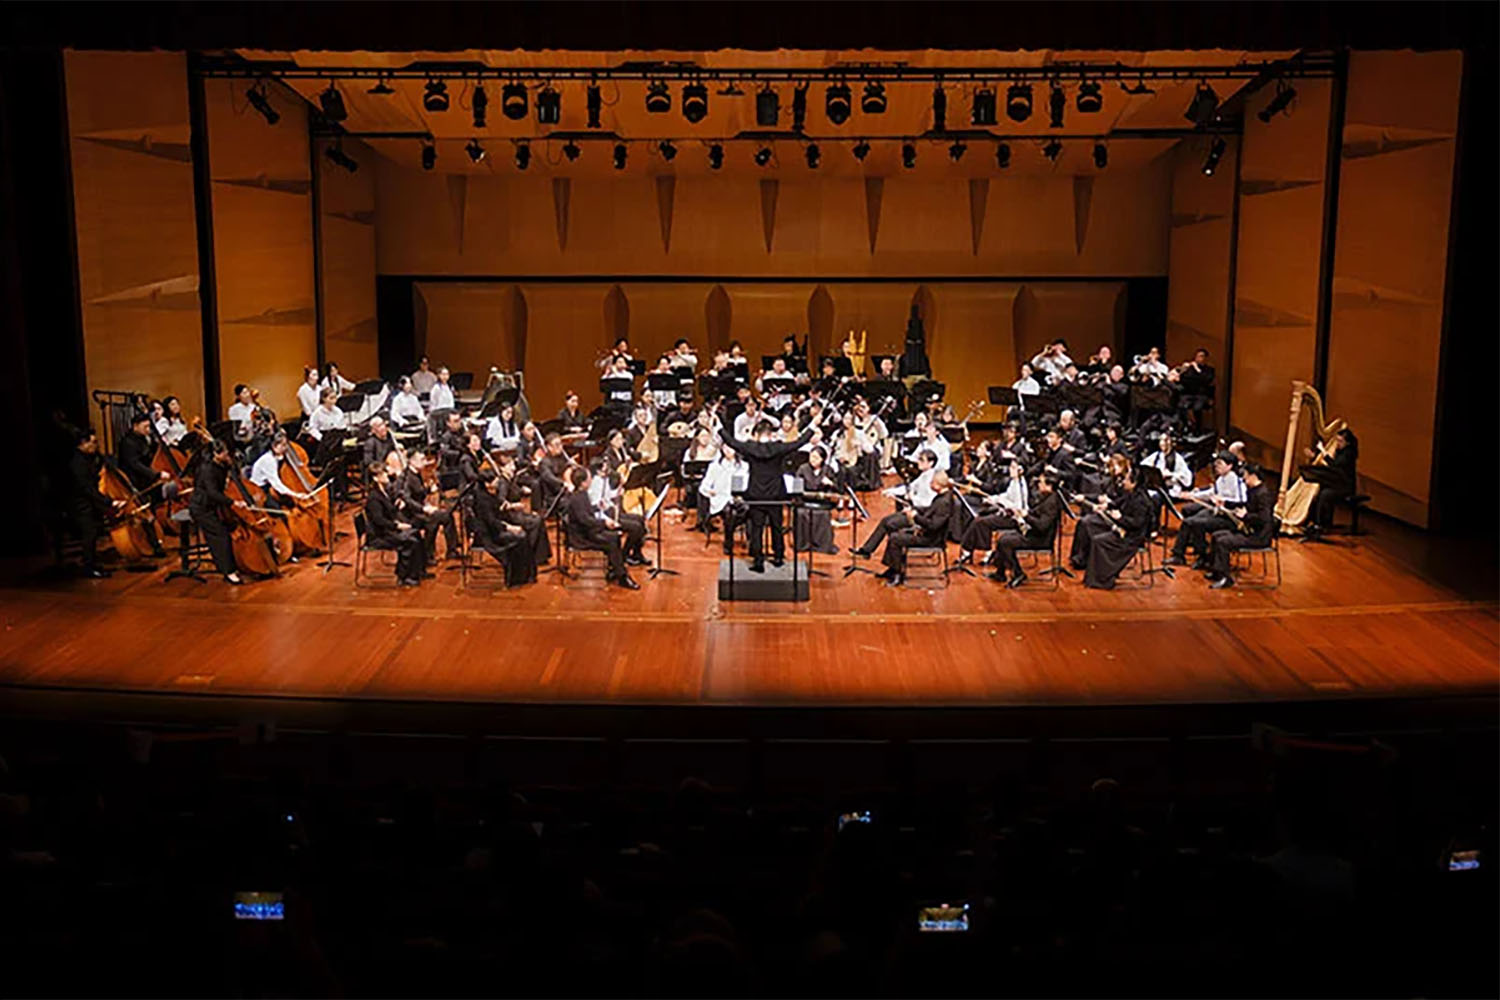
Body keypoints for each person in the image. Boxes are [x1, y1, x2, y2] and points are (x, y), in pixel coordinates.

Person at [721, 417, 817, 572]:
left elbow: (732, 442)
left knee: (757, 528)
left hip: (756, 495)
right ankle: (778, 557)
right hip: (775, 495)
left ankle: (758, 561)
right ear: (770, 434)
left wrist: (718, 426)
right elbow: (799, 442)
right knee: (776, 526)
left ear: (757, 435)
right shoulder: (778, 447)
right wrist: (813, 425)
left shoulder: (751, 447)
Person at [851, 449, 938, 563]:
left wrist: (911, 498)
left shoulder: (932, 479)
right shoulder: (923, 475)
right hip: (915, 510)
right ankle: (867, 550)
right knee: (885, 521)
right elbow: (909, 488)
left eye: (922, 460)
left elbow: (928, 502)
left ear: (931, 463)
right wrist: (891, 491)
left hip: (921, 514)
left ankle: (894, 560)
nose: (918, 462)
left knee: (890, 524)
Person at [563, 467, 639, 589]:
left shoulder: (581, 495)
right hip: (582, 537)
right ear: (583, 483)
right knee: (612, 539)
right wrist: (604, 523)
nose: (591, 480)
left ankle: (615, 568)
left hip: (588, 530)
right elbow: (585, 520)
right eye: (589, 479)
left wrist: (597, 507)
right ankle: (621, 576)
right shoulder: (577, 498)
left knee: (615, 536)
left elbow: (586, 514)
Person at [1166, 453, 1247, 568]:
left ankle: (1203, 557)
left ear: (1229, 466)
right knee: (1188, 521)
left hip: (1230, 519)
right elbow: (1210, 493)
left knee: (1196, 523)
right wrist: (1192, 495)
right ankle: (1179, 554)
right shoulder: (1221, 480)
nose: (1216, 466)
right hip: (1217, 513)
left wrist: (1224, 501)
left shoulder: (1236, 481)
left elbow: (1242, 500)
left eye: (1220, 463)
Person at [1206, 464, 1276, 589]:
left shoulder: (1263, 494)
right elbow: (1244, 505)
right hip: (1249, 531)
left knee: (1223, 542)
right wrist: (1226, 503)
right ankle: (1217, 571)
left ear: (1253, 476)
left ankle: (1226, 578)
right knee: (1217, 536)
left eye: (1245, 476)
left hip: (1259, 537)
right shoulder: (1253, 490)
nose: (1244, 479)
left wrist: (1246, 516)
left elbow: (1264, 518)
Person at [1083, 464, 1153, 590]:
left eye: (1126, 479)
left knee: (1099, 541)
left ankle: (1104, 579)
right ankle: (1096, 578)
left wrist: (1119, 518)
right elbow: (1119, 502)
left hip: (1132, 537)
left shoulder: (1142, 500)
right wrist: (1108, 507)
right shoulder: (1131, 492)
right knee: (1096, 537)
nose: (1124, 481)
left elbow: (1137, 523)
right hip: (1124, 530)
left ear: (1134, 482)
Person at [878, 471, 953, 586]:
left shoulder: (944, 503)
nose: (930, 484)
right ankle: (893, 569)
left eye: (932, 482)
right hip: (927, 533)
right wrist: (913, 510)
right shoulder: (941, 498)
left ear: (938, 484)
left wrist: (915, 516)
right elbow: (930, 511)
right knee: (895, 534)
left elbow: (933, 525)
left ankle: (897, 573)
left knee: (895, 539)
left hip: (931, 539)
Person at [67, 428, 122, 578]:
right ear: (83, 443)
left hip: (89, 502)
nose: (96, 446)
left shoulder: (87, 459)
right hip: (81, 504)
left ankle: (92, 563)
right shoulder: (77, 463)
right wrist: (109, 502)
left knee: (93, 532)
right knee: (89, 534)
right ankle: (88, 567)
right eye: (94, 442)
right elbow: (88, 489)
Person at [990, 473, 1062, 587]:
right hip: (1033, 533)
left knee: (1005, 542)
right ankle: (1000, 573)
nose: (1038, 484)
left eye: (1041, 482)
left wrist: (1026, 517)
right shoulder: (1046, 497)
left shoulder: (1052, 503)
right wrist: (1021, 512)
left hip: (1040, 539)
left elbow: (1042, 526)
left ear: (1049, 486)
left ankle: (1018, 573)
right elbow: (1036, 512)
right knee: (1003, 538)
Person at [189, 438, 244, 585]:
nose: (227, 456)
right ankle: (228, 572)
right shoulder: (206, 469)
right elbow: (213, 492)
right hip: (201, 508)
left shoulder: (221, 465)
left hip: (213, 506)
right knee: (221, 535)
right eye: (225, 454)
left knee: (227, 531)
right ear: (216, 454)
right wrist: (233, 502)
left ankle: (232, 565)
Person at [469, 468, 536, 586]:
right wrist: (510, 527)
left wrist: (508, 507)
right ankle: (516, 578)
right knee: (520, 538)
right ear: (487, 483)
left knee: (524, 535)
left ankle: (526, 575)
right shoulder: (482, 500)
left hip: (495, 527)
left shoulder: (489, 493)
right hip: (490, 535)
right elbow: (491, 522)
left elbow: (496, 510)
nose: (498, 482)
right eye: (495, 480)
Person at [364, 462, 426, 586]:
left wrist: (397, 505)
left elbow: (388, 511)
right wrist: (397, 526)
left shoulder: (384, 491)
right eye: (383, 473)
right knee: (411, 541)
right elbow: (379, 520)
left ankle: (418, 571)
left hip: (387, 530)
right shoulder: (373, 497)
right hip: (380, 535)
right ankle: (404, 576)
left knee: (416, 534)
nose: (387, 475)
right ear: (376, 478)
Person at [116, 410, 168, 556]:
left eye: (149, 427)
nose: (148, 430)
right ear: (135, 426)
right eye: (145, 427)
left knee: (150, 511)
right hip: (133, 481)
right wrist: (156, 474)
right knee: (146, 514)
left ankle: (155, 543)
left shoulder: (143, 439)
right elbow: (134, 464)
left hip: (144, 480)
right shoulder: (128, 442)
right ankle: (154, 545)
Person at [395, 448, 458, 563]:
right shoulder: (405, 478)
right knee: (432, 521)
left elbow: (419, 493)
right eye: (422, 459)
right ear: (412, 462)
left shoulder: (417, 473)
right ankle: (427, 555)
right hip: (410, 514)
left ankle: (452, 550)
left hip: (419, 511)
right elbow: (407, 498)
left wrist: (429, 489)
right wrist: (424, 508)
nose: (425, 462)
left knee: (447, 516)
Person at [1300, 428, 1358, 540]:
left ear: (1347, 443)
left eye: (1340, 441)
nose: (1338, 444)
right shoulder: (1340, 451)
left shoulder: (1349, 453)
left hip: (1345, 486)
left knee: (1325, 494)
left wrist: (1323, 451)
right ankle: (1316, 522)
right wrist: (1313, 456)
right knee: (1320, 493)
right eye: (1337, 441)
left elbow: (1334, 465)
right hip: (1336, 484)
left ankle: (1319, 525)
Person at [697, 442, 746, 548]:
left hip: (738, 498)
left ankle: (751, 542)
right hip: (720, 499)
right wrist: (709, 491)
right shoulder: (715, 466)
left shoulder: (743, 466)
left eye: (731, 447)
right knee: (729, 512)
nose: (728, 450)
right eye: (725, 447)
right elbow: (703, 486)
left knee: (747, 509)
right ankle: (728, 542)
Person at [793, 446, 840, 555]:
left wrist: (830, 483)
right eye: (811, 457)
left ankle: (821, 545)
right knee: (801, 514)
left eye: (816, 458)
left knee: (822, 514)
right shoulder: (802, 469)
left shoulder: (828, 470)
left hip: (822, 502)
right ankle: (803, 544)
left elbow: (837, 488)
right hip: (805, 501)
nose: (812, 460)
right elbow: (796, 488)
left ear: (822, 459)